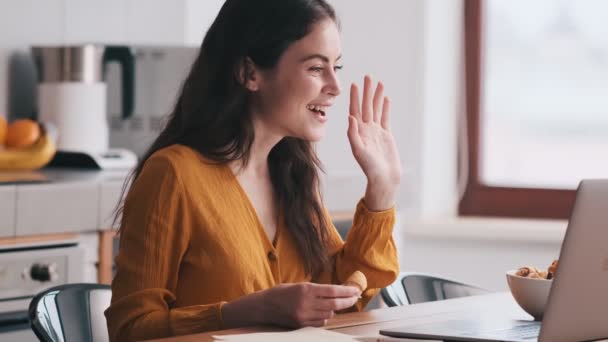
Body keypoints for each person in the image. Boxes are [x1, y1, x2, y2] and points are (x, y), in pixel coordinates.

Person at [104, 0, 401, 340]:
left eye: (337, 66)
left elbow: (341, 304)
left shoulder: (296, 177)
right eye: (317, 68)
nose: (334, 86)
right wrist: (247, 311)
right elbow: (129, 330)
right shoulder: (173, 175)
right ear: (249, 73)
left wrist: (382, 189)